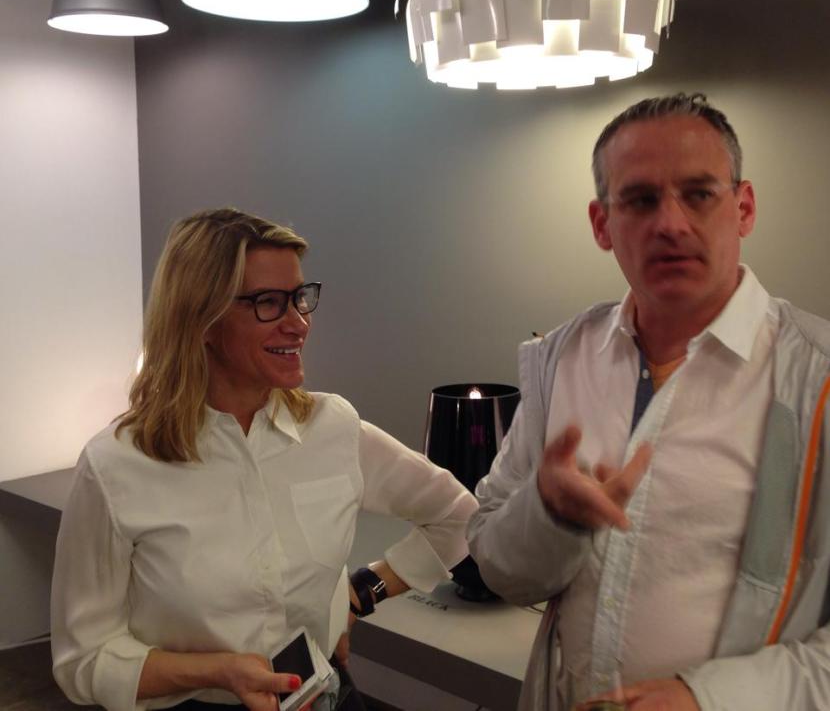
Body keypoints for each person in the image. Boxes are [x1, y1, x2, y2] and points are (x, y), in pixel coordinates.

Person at [467, 93, 830, 711]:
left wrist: (707, 700)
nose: (671, 224)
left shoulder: (816, 381)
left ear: (743, 207)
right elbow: (501, 572)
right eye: (639, 200)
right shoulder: (562, 358)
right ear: (601, 224)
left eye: (699, 194)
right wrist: (549, 513)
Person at [51, 207, 478, 711]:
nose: (299, 324)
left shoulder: (333, 428)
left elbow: (460, 517)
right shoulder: (116, 466)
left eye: (299, 298)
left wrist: (360, 594)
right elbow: (84, 659)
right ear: (202, 320)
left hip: (325, 697)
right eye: (268, 303)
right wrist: (219, 671)